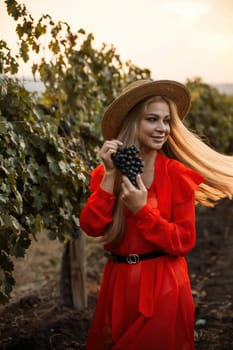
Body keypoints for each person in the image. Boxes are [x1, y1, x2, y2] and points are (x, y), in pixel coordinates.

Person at [80, 79, 233, 350]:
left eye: (166, 121)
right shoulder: (107, 173)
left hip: (164, 287)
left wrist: (143, 211)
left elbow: (184, 241)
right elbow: (92, 226)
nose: (162, 128)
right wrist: (110, 176)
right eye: (152, 119)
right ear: (133, 123)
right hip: (118, 286)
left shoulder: (177, 175)